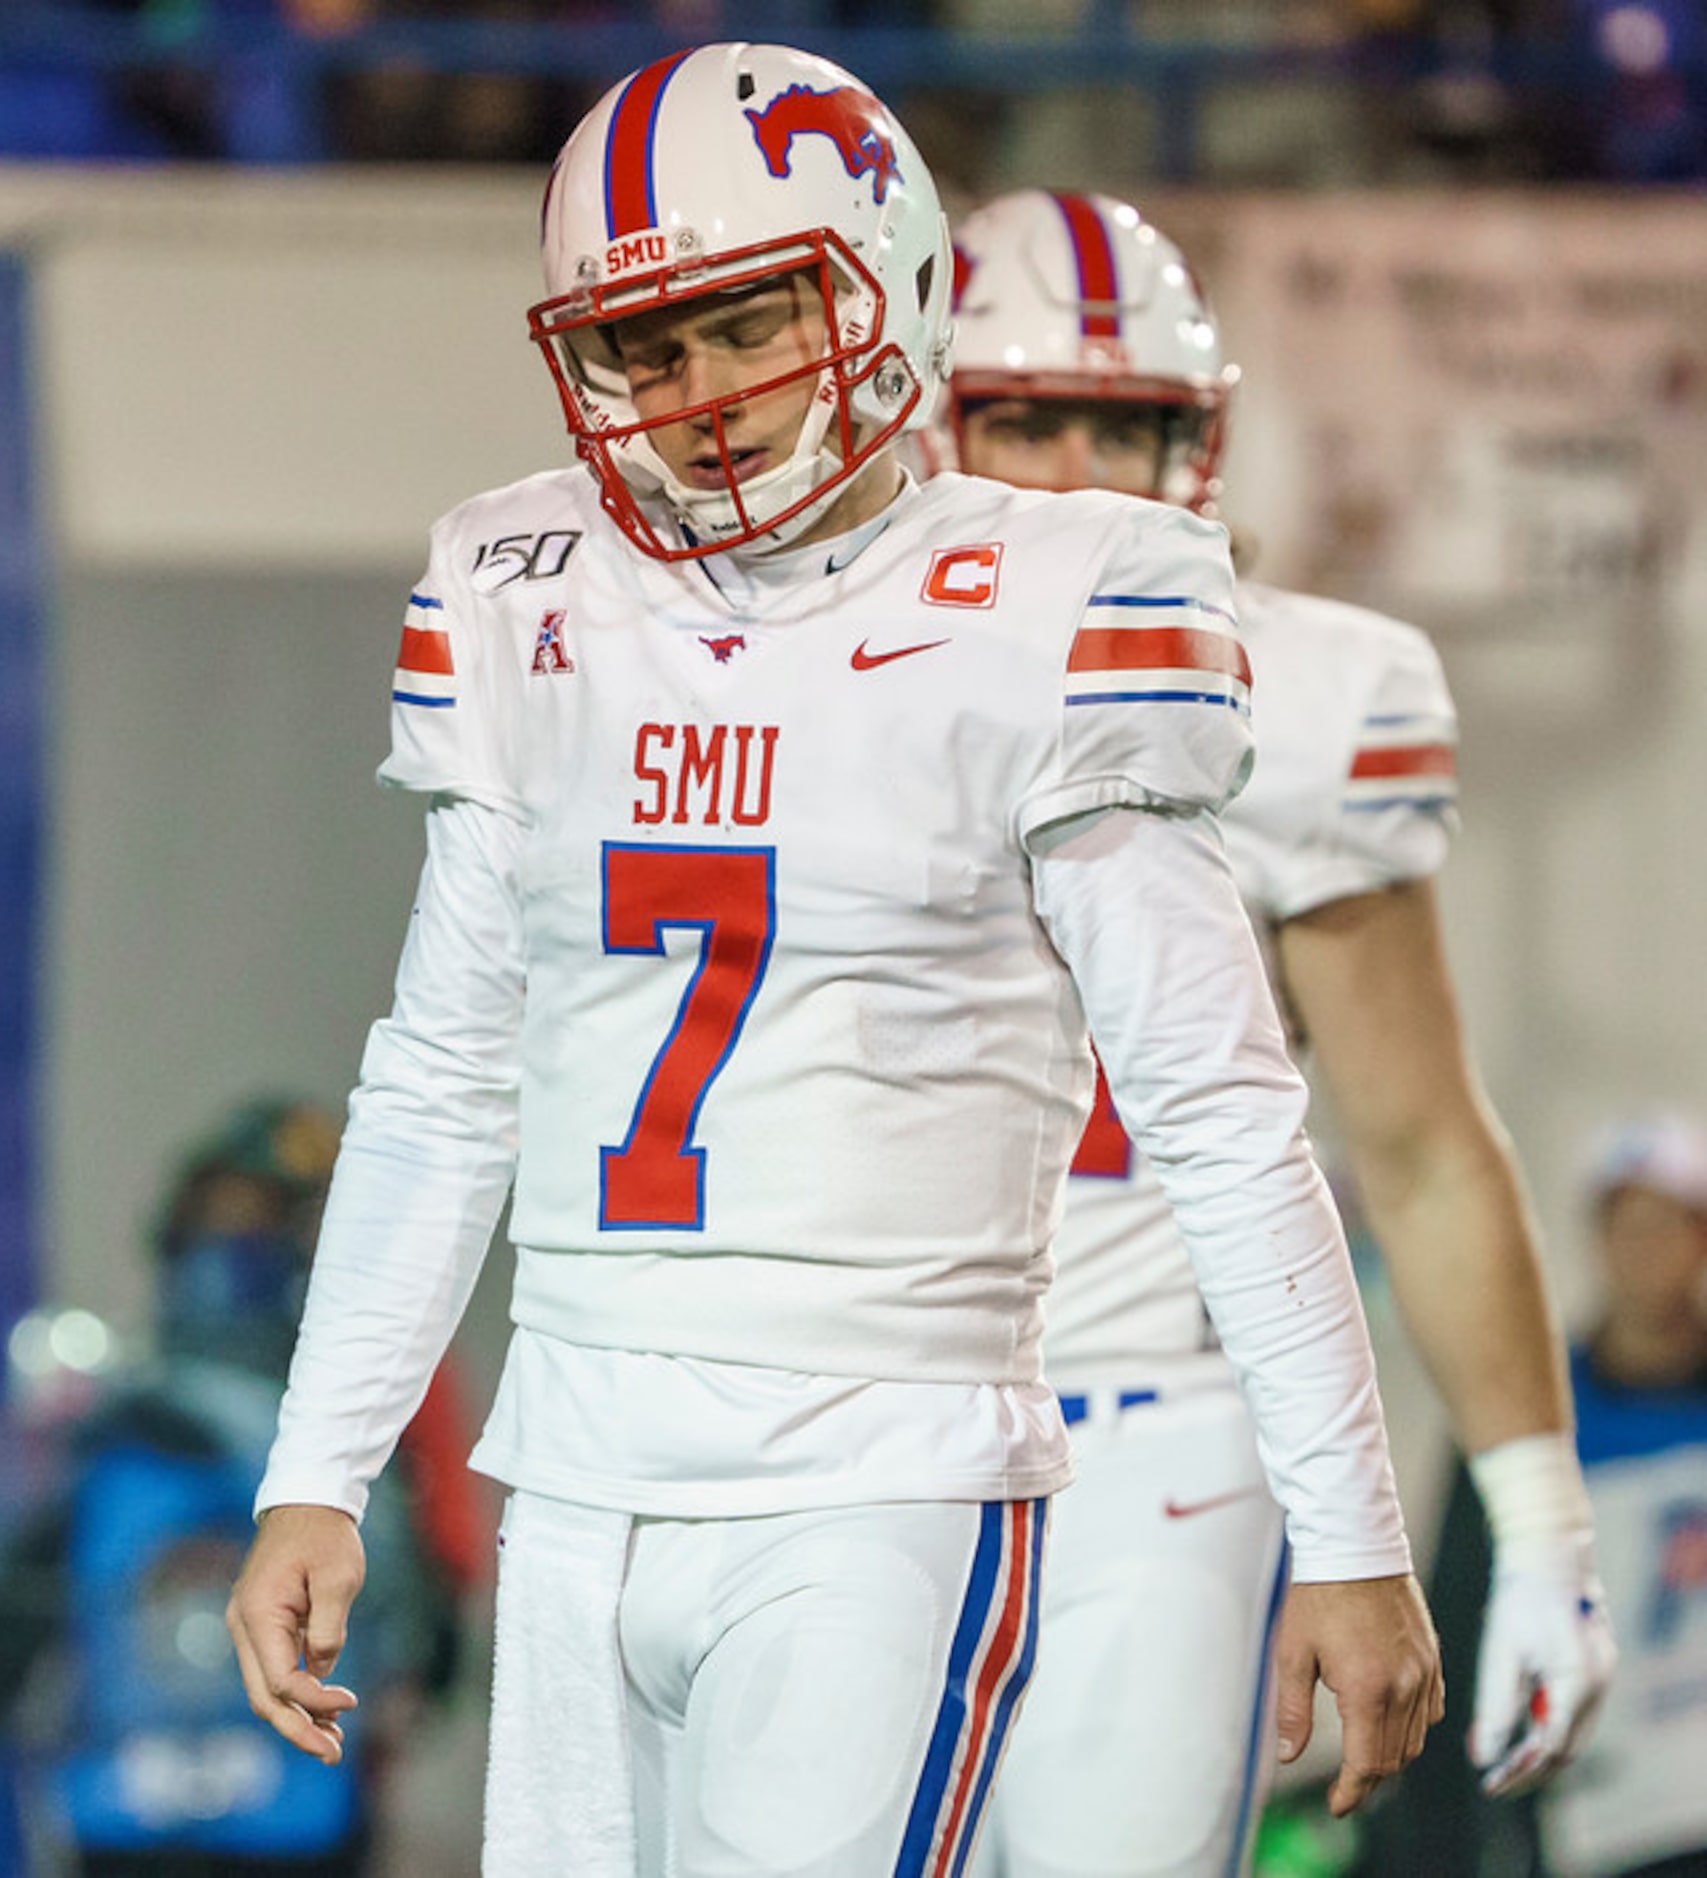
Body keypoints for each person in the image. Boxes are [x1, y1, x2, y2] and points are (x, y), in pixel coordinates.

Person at [221, 42, 1444, 1878]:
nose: (696, 394)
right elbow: (442, 1073)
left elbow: (1221, 1109)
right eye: (643, 347)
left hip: (882, 1464)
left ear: (881, 285)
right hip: (570, 1467)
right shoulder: (520, 586)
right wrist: (314, 1469)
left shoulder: (1059, 598)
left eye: (743, 323)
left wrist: (1350, 1530)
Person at [932, 189, 1618, 1876]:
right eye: (1025, 418)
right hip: (856, 1405)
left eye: (1127, 420)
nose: (1082, 463)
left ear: (1202, 439)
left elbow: (1419, 1145)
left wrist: (1537, 1522)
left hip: (1156, 1426)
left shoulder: (1300, 694)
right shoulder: (791, 665)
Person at [0, 1096, 472, 1876]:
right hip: (128, 1825)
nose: (235, 1251)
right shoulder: (97, 1431)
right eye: (219, 1221)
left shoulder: (371, 1426)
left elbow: (430, 1641)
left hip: (296, 1825)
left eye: (263, 1224)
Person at [1363, 1116, 1707, 1878]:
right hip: (1597, 1817)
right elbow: (1457, 1613)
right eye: (1626, 1227)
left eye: (1665, 1227)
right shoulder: (1533, 1412)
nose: (1643, 1252)